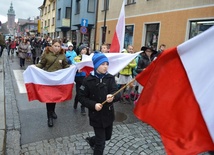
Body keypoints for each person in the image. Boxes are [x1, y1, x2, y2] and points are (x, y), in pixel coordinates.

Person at [79, 52, 120, 155]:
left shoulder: (110, 78)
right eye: (102, 64)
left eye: (107, 64)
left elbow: (117, 94)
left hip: (108, 114)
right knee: (101, 143)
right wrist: (93, 105)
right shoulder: (88, 80)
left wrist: (113, 96)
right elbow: (81, 97)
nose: (105, 67)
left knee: (107, 137)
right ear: (96, 65)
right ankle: (96, 143)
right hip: (96, 116)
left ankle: (91, 140)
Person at [35, 38, 70, 127]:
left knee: (54, 98)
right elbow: (42, 64)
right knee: (49, 99)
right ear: (52, 45)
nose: (57, 48)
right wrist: (34, 67)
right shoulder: (46, 53)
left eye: (58, 46)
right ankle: (49, 117)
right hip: (48, 80)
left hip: (57, 81)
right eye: (55, 46)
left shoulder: (62, 54)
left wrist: (72, 68)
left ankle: (53, 111)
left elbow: (65, 65)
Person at [73, 45, 88, 115]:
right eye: (83, 49)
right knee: (79, 92)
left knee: (84, 92)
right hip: (78, 78)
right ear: (80, 50)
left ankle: (83, 107)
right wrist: (77, 70)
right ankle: (76, 102)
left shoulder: (88, 58)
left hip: (85, 77)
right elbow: (73, 67)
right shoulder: (76, 58)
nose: (84, 51)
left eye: (85, 49)